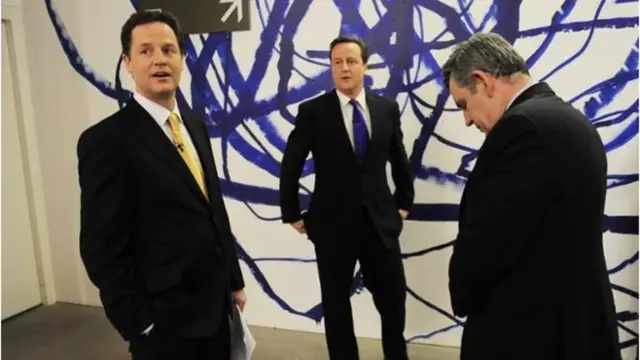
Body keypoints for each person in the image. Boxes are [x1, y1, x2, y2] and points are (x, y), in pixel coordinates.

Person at [76, 10, 247, 359]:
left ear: (182, 59)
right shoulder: (106, 141)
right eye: (146, 51)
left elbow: (214, 211)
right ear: (127, 62)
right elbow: (101, 248)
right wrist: (139, 323)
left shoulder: (195, 127)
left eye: (169, 50)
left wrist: (235, 280)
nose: (159, 60)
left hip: (215, 310)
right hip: (164, 326)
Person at [443, 32, 621, 360]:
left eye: (463, 105)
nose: (467, 120)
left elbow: (490, 242)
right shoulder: (571, 120)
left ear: (482, 81)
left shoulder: (522, 128)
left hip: (526, 333)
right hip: (573, 324)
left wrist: (463, 291)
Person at [279, 36, 415, 360]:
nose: (344, 68)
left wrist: (404, 202)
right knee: (337, 306)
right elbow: (292, 163)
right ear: (331, 67)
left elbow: (399, 158)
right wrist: (292, 211)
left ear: (364, 66)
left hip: (380, 223)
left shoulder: (386, 109)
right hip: (331, 225)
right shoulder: (313, 111)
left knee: (393, 302)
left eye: (351, 61)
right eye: (337, 62)